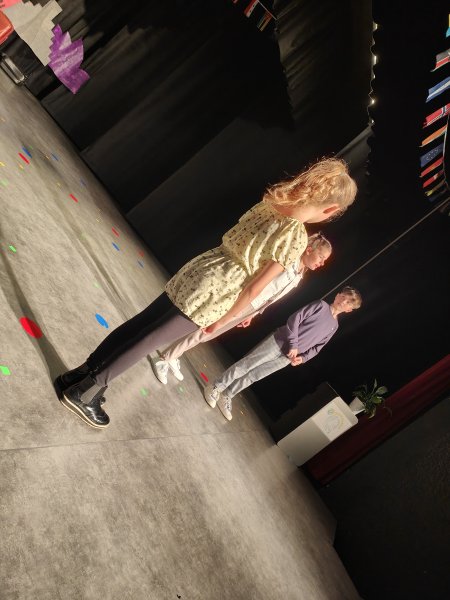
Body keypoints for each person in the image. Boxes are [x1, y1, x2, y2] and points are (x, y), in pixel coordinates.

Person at [55, 157, 357, 429]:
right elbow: (255, 287)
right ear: (331, 209)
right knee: (151, 339)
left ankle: (80, 374)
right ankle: (85, 391)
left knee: (142, 324)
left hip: (205, 265)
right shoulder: (296, 237)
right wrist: (224, 319)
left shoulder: (272, 201)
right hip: (221, 289)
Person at [150, 232, 333, 384]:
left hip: (253, 306)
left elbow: (272, 295)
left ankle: (173, 354)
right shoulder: (287, 261)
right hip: (245, 299)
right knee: (205, 331)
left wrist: (254, 314)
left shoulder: (299, 274)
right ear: (309, 250)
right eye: (321, 257)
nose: (322, 263)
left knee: (208, 334)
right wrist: (245, 305)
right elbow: (260, 283)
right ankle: (166, 358)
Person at [203, 286, 362, 421]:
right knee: (246, 365)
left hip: (287, 358)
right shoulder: (320, 306)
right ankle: (216, 387)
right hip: (278, 343)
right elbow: (295, 319)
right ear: (338, 295)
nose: (343, 302)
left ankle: (228, 395)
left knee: (254, 376)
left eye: (348, 302)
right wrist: (293, 344)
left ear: (349, 310)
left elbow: (318, 347)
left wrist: (302, 358)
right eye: (343, 297)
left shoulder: (334, 326)